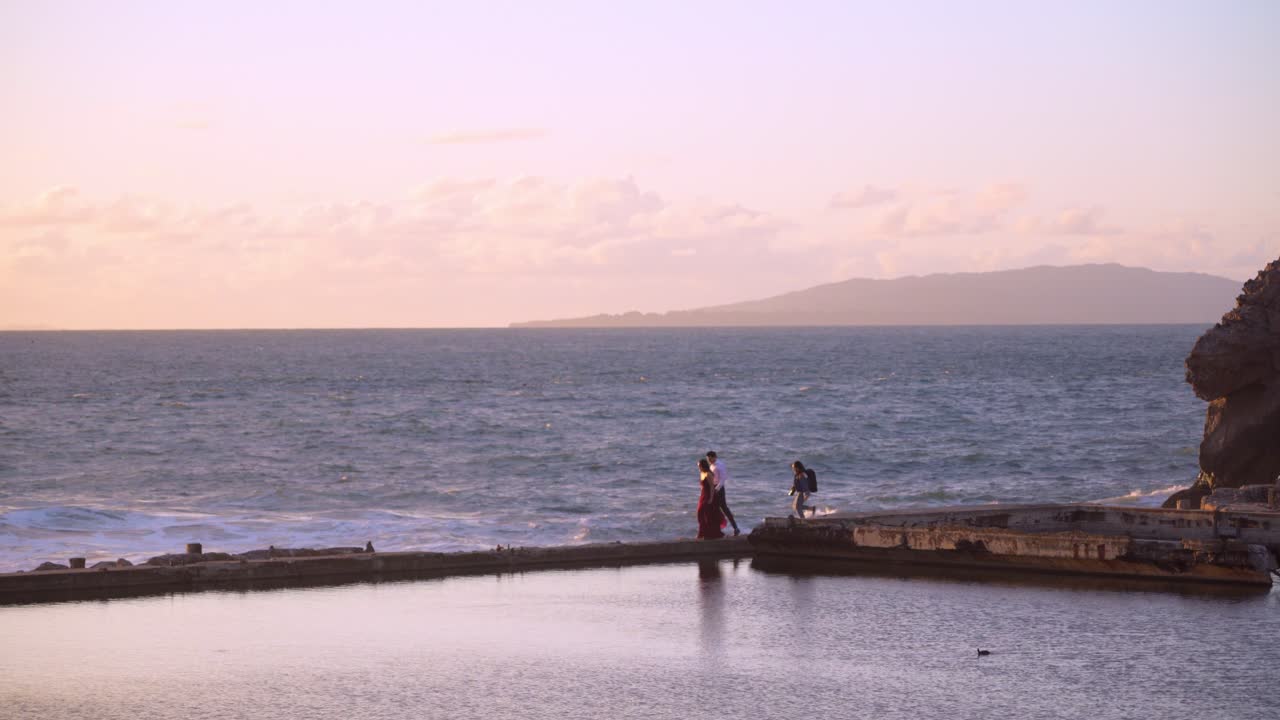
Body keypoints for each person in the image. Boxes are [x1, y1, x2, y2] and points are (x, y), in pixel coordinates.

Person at [706, 451, 740, 536]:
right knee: (714, 509)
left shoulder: (720, 465)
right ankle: (716, 529)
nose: (709, 461)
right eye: (708, 459)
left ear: (715, 457)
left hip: (719, 488)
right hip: (713, 488)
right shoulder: (711, 465)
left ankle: (735, 528)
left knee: (724, 508)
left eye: (710, 459)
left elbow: (723, 479)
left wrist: (716, 489)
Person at [696, 458, 726, 540]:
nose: (698, 468)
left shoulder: (709, 474)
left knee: (709, 515)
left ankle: (709, 534)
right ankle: (703, 532)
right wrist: (701, 495)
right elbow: (702, 486)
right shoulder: (702, 473)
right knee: (700, 513)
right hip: (703, 495)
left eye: (699, 466)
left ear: (703, 466)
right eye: (698, 466)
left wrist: (711, 498)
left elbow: (712, 487)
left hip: (710, 495)